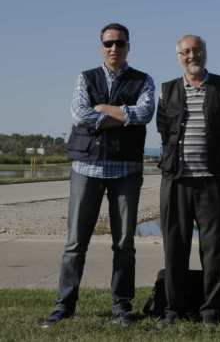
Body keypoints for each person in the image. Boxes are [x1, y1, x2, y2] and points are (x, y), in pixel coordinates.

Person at [43, 23, 155, 329]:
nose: (114, 48)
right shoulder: (85, 77)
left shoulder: (144, 80)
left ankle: (122, 305)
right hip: (86, 169)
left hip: (126, 171)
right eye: (108, 43)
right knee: (75, 243)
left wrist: (104, 108)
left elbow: (144, 114)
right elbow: (81, 115)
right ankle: (64, 305)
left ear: (128, 45)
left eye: (119, 43)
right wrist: (122, 114)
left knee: (124, 243)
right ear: (100, 46)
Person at [156, 34, 220, 328]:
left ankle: (211, 310)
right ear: (178, 56)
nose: (191, 56)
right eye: (185, 52)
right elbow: (164, 129)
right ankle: (172, 310)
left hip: (213, 181)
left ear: (205, 53)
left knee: (214, 248)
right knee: (174, 246)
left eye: (196, 50)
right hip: (176, 181)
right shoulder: (167, 90)